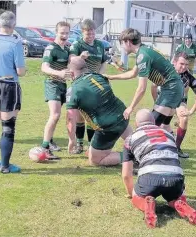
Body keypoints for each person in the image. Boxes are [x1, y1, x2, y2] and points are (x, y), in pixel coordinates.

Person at [122, 109, 196, 228]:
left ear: (136, 124)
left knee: (137, 196)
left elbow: (126, 174)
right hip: (175, 177)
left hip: (150, 177)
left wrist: (131, 194)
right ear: (154, 121)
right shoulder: (169, 134)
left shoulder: (130, 138)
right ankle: (177, 202)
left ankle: (146, 204)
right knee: (175, 197)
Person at [105, 28, 184, 132]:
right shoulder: (144, 51)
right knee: (164, 125)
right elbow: (133, 73)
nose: (122, 48)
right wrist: (111, 77)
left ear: (128, 42)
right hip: (175, 87)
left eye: (122, 44)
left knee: (149, 128)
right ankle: (174, 148)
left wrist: (130, 107)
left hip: (171, 89)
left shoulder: (142, 56)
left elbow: (142, 88)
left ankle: (138, 148)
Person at [66, 57, 132, 166]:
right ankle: (145, 151)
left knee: (95, 160)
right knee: (135, 141)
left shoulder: (73, 90)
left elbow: (70, 118)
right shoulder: (98, 76)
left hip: (108, 127)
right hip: (122, 114)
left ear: (71, 73)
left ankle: (132, 157)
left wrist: (71, 140)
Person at [152, 52, 196, 158]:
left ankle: (177, 148)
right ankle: (156, 146)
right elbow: (153, 86)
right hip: (164, 100)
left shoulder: (188, 77)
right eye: (181, 64)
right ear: (175, 62)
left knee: (184, 119)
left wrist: (191, 111)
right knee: (159, 124)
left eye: (186, 65)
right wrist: (156, 102)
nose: (184, 67)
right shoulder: (165, 71)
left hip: (179, 101)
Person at [69, 19, 108, 154]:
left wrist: (99, 75)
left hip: (95, 84)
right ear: (82, 32)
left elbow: (104, 62)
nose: (91, 36)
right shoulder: (77, 44)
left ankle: (91, 145)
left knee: (92, 116)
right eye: (88, 34)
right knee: (80, 116)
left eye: (92, 33)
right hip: (81, 84)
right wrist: (81, 57)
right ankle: (80, 144)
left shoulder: (100, 45)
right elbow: (72, 60)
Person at [0, 11, 25, 173]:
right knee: (8, 127)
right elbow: (20, 71)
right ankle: (5, 166)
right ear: (13, 25)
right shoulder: (15, 43)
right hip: (8, 86)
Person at [40, 21, 72, 159]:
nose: (64, 35)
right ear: (56, 32)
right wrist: (58, 73)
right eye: (62, 33)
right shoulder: (50, 48)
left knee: (57, 116)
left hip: (62, 85)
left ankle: (50, 141)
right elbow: (44, 67)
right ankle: (44, 147)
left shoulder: (66, 49)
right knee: (55, 115)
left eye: (66, 33)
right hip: (52, 83)